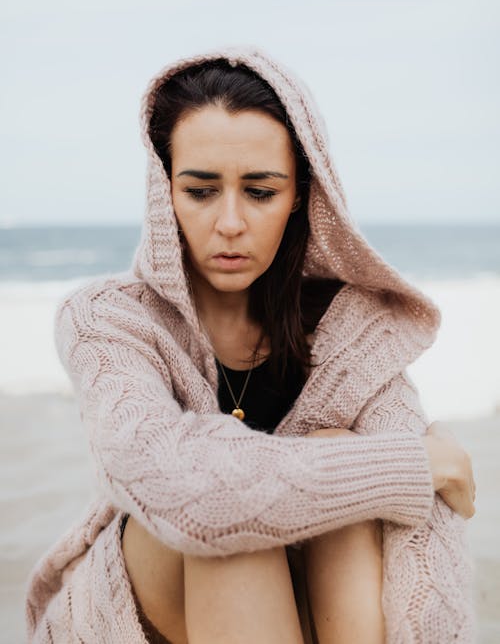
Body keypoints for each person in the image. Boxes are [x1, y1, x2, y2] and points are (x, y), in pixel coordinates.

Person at [25, 45, 476, 644]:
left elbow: (421, 545)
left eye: (260, 192)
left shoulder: (355, 333)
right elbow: (179, 489)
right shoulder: (107, 322)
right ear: (166, 194)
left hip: (312, 619)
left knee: (341, 451)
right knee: (225, 513)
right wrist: (412, 465)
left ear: (298, 197)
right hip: (146, 619)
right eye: (201, 190)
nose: (230, 223)